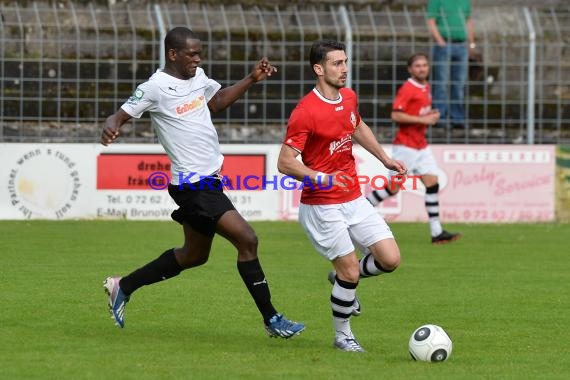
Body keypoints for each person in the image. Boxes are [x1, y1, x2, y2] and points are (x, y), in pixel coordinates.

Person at [100, 27, 304, 339]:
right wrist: (111, 126)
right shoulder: (155, 87)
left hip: (208, 181)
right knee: (247, 240)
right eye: (192, 54)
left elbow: (217, 101)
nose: (198, 58)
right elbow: (121, 114)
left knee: (194, 256)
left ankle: (122, 286)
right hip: (193, 185)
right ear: (173, 54)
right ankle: (272, 319)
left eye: (200, 52)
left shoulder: (198, 78)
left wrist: (251, 79)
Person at [277, 40, 407, 352]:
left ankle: (339, 279)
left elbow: (357, 125)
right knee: (350, 270)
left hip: (353, 198)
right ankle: (343, 335)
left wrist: (384, 159)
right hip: (322, 205)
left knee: (390, 259)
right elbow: (285, 162)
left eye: (345, 62)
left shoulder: (348, 97)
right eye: (337, 63)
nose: (344, 69)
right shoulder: (305, 112)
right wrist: (322, 177)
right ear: (318, 69)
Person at [366, 53, 461, 244]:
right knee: (392, 189)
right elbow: (396, 115)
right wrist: (422, 119)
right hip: (406, 147)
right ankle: (360, 209)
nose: (422, 68)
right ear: (410, 69)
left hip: (421, 145)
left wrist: (430, 115)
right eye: (417, 66)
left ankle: (436, 232)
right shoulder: (408, 89)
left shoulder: (425, 86)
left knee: (432, 184)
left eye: (425, 65)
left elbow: (418, 113)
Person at [426, 0, 476, 129]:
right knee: (441, 82)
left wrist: (471, 43)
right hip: (445, 44)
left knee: (459, 83)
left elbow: (468, 20)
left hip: (461, 44)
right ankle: (440, 117)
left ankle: (457, 118)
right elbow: (431, 20)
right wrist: (440, 40)